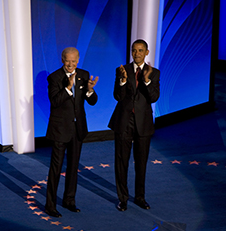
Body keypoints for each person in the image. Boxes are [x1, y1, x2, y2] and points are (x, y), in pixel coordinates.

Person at [45, 47, 98, 218]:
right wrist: (68, 87)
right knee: (56, 168)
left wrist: (90, 90)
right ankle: (50, 205)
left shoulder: (84, 74)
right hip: (60, 130)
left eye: (74, 61)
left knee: (73, 167)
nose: (71, 64)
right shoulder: (54, 78)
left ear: (78, 60)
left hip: (78, 129)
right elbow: (55, 102)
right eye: (68, 60)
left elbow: (92, 102)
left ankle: (69, 201)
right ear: (62, 59)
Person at [108, 39, 160, 211]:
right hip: (124, 121)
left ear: (147, 52)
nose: (136, 53)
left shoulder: (154, 73)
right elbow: (118, 96)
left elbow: (153, 98)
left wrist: (146, 80)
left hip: (143, 123)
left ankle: (140, 197)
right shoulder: (122, 70)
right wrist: (123, 80)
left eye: (140, 50)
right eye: (134, 50)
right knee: (121, 161)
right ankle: (122, 199)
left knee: (141, 162)